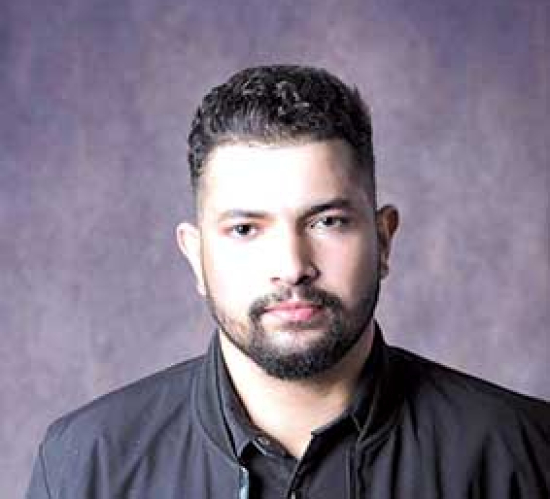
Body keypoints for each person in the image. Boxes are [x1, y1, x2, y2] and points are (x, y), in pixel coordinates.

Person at [27, 65, 549, 498]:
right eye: (245, 229)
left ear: (384, 239)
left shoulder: (525, 454)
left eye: (327, 221)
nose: (292, 265)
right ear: (196, 257)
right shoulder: (86, 465)